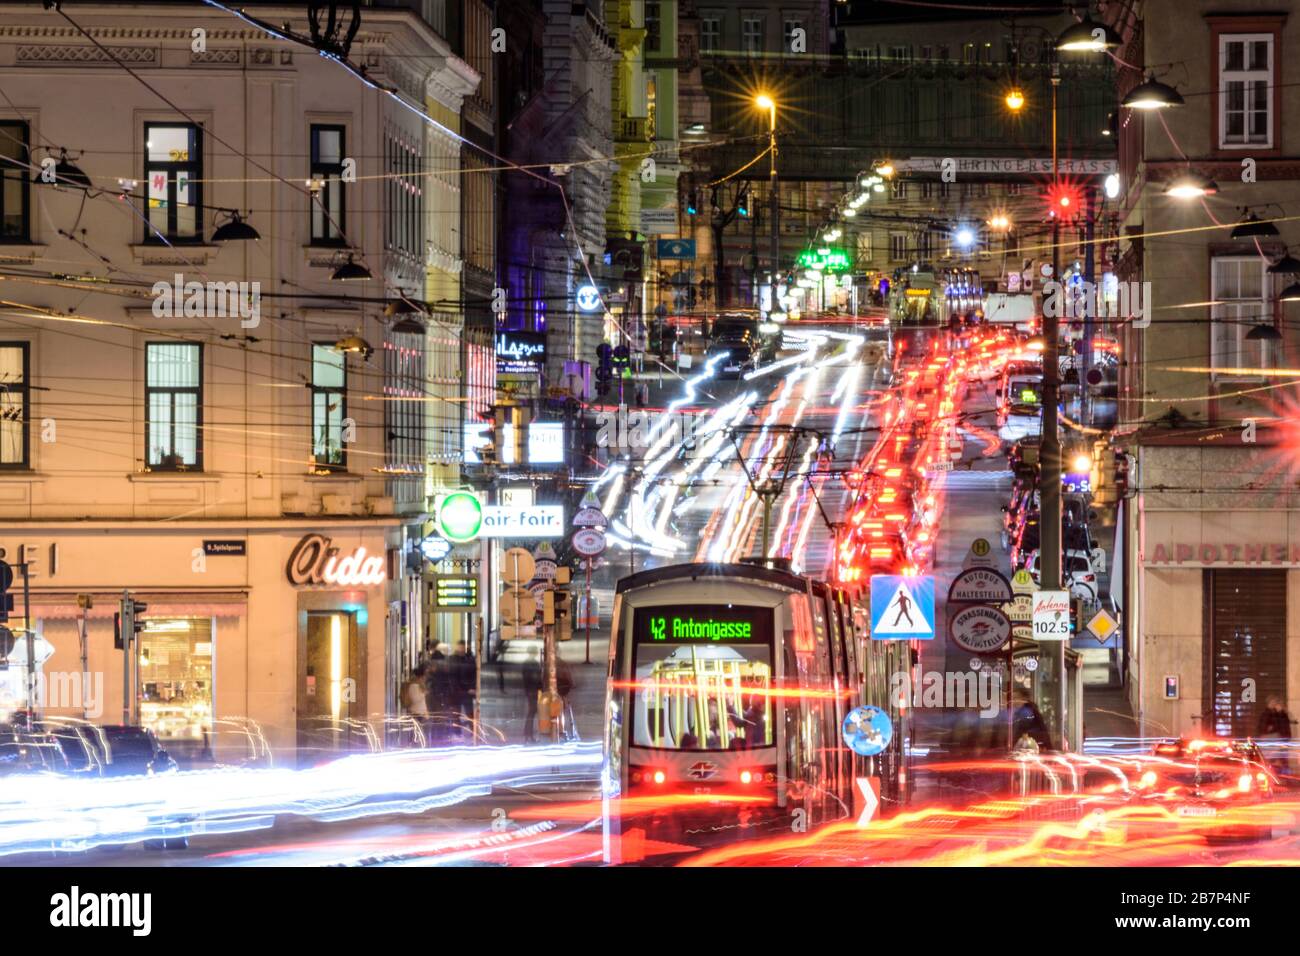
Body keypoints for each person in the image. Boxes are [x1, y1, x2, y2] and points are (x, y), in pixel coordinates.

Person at [522, 650, 542, 744]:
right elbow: (536, 678)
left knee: (531, 712)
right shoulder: (533, 664)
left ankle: (528, 734)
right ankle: (528, 734)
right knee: (532, 712)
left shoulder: (526, 663)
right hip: (533, 690)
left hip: (529, 690)